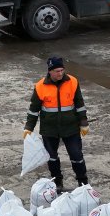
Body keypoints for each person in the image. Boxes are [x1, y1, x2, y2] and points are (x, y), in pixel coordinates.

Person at [23, 55, 89, 190]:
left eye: (61, 70)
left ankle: (83, 183)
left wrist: (83, 122)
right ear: (50, 71)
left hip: (70, 127)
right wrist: (29, 127)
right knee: (52, 158)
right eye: (57, 71)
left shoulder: (73, 82)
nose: (60, 73)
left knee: (76, 155)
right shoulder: (40, 86)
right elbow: (34, 109)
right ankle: (57, 182)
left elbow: (79, 104)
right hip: (49, 129)